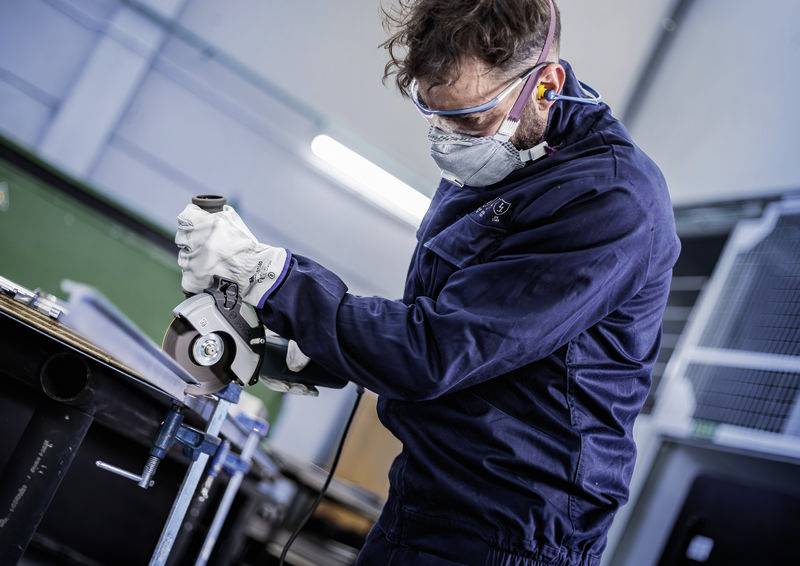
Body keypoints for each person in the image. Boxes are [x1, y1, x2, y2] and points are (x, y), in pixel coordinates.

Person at [175, 0, 680, 564]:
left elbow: (437, 353)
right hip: (428, 496)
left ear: (547, 85)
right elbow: (446, 321)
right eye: (431, 112)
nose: (446, 137)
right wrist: (324, 350)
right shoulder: (501, 158)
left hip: (510, 536)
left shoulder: (610, 201)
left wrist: (272, 278)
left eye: (469, 118)